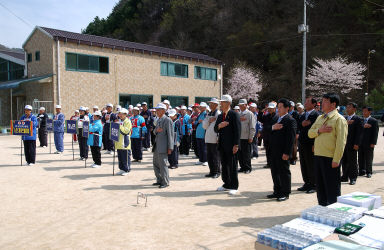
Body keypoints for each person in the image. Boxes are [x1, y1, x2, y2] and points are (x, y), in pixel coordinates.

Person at [308, 93, 348, 206]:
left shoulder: (339, 119)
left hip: (330, 158)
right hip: (318, 156)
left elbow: (341, 142)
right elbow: (310, 133)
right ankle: (322, 208)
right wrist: (319, 130)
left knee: (332, 187)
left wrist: (337, 159)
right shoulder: (320, 117)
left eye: (325, 101)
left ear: (333, 104)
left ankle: (333, 211)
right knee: (320, 186)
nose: (322, 104)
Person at [267, 99, 296, 201]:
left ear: (287, 108)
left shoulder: (290, 120)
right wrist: (273, 127)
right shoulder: (276, 118)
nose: (278, 109)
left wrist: (287, 152)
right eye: (277, 107)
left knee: (284, 171)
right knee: (274, 171)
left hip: (282, 151)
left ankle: (285, 192)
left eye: (280, 107)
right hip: (273, 150)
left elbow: (291, 138)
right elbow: (267, 130)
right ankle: (277, 190)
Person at [214, 94, 241, 195]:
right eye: (220, 102)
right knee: (224, 165)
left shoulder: (234, 114)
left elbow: (238, 131)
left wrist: (236, 145)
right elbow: (215, 128)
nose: (221, 104)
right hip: (222, 144)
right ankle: (226, 183)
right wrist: (220, 126)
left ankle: (234, 185)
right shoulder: (221, 116)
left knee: (232, 165)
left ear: (228, 103)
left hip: (232, 145)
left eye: (223, 102)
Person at [297, 97, 319, 194]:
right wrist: (302, 123)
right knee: (304, 163)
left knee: (311, 164)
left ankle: (314, 184)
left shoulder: (316, 115)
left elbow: (317, 130)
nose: (305, 103)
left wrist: (315, 144)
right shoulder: (303, 115)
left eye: (307, 102)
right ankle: (306, 182)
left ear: (314, 104)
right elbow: (298, 125)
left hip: (311, 143)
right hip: (302, 143)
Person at [152, 103, 174, 188]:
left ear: (164, 111)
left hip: (163, 146)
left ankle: (165, 182)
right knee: (155, 163)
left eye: (159, 110)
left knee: (163, 164)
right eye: (156, 110)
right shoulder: (159, 120)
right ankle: (159, 179)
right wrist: (157, 130)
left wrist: (170, 147)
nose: (157, 111)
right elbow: (154, 131)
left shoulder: (167, 120)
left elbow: (170, 135)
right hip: (157, 145)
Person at [340, 102, 363, 185]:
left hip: (352, 143)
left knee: (352, 161)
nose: (347, 109)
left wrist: (357, 144)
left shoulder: (358, 119)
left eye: (349, 107)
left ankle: (353, 177)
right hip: (343, 143)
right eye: (347, 107)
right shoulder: (344, 118)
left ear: (354, 109)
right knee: (344, 160)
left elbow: (359, 133)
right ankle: (345, 176)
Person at [203, 98, 221, 178]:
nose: (210, 105)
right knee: (209, 156)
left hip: (215, 138)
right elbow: (204, 125)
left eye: (212, 104)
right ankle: (212, 171)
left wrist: (218, 137)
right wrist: (209, 121)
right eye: (210, 104)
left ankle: (217, 171)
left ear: (216, 105)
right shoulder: (208, 113)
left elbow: (220, 127)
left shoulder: (219, 114)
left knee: (215, 156)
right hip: (208, 137)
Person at [358, 106, 379, 178]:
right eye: (363, 111)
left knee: (369, 158)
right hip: (360, 142)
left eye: (365, 111)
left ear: (369, 112)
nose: (364, 113)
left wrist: (373, 143)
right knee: (360, 157)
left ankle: (369, 171)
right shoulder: (361, 120)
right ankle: (361, 170)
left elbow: (375, 133)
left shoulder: (374, 121)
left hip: (369, 142)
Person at [238, 99, 256, 174]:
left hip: (246, 137)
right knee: (240, 154)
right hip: (239, 137)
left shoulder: (249, 114)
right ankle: (242, 167)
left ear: (246, 105)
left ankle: (248, 167)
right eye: (240, 105)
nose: (241, 106)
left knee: (247, 154)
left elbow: (252, 126)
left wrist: (251, 137)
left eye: (242, 105)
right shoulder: (238, 114)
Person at [259, 102, 279, 168]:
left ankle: (274, 164)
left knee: (274, 151)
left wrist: (269, 127)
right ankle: (269, 163)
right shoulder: (266, 116)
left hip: (274, 136)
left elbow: (274, 126)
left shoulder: (277, 116)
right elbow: (260, 119)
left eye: (271, 108)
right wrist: (261, 112)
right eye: (269, 108)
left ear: (274, 109)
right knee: (268, 151)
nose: (269, 110)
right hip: (267, 136)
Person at [115, 108, 133, 176]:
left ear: (125, 114)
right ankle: (122, 168)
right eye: (119, 113)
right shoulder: (119, 120)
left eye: (121, 114)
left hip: (125, 141)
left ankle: (127, 169)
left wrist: (119, 125)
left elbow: (126, 131)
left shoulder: (127, 121)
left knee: (125, 156)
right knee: (120, 156)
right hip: (119, 141)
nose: (120, 115)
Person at [289, 101, 299, 165]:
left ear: (292, 107)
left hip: (294, 131)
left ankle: (294, 158)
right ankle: (289, 157)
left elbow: (298, 123)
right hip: (288, 131)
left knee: (294, 146)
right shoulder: (286, 113)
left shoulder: (295, 113)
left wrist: (297, 133)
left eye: (290, 106)